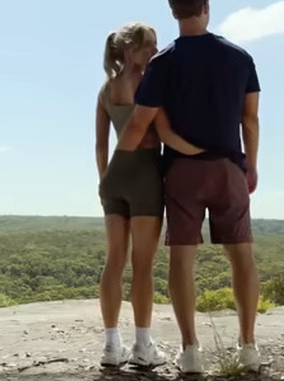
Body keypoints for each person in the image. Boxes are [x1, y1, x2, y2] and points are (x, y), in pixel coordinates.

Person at [116, 0, 262, 374]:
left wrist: (119, 163)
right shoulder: (240, 58)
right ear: (206, 7)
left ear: (173, 11)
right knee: (242, 257)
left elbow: (141, 123)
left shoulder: (163, 62)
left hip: (182, 172)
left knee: (182, 260)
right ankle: (248, 348)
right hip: (230, 168)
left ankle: (191, 352)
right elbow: (250, 119)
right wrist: (251, 164)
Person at [94, 22, 204, 368]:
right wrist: (200, 152)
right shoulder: (149, 83)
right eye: (148, 46)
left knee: (114, 262)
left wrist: (104, 181)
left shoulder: (105, 89)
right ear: (129, 50)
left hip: (114, 176)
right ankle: (143, 346)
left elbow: (100, 144)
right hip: (144, 175)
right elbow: (166, 134)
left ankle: (112, 347)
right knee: (142, 267)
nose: (154, 52)